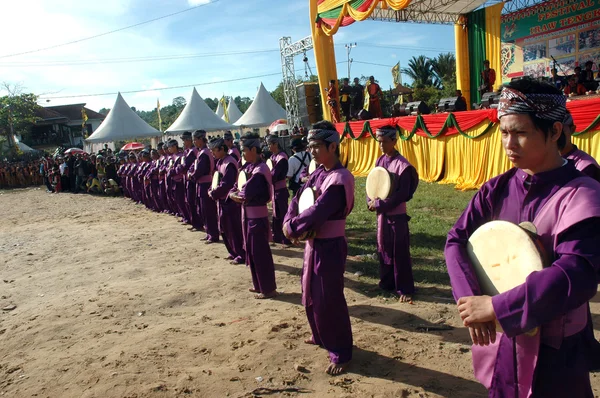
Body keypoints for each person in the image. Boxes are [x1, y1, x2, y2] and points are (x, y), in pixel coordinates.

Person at [445, 77, 600, 397]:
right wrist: (472, 302)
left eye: (520, 132)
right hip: (504, 342)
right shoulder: (496, 189)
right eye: (504, 132)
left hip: (557, 352)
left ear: (555, 130)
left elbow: (576, 274)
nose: (508, 144)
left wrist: (497, 307)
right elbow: (456, 240)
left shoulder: (582, 194)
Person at [283, 121, 355, 376]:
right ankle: (320, 335)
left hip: (330, 246)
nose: (312, 151)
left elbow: (318, 210)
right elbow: (297, 198)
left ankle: (341, 351)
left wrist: (293, 228)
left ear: (332, 146)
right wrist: (288, 220)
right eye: (310, 146)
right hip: (314, 244)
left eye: (316, 146)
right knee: (310, 292)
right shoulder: (318, 173)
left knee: (329, 298)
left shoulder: (339, 178)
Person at [368, 126, 419, 303]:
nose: (381, 145)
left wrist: (380, 204)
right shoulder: (380, 161)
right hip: (382, 216)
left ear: (394, 141)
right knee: (383, 249)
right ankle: (386, 283)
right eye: (379, 142)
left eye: (384, 142)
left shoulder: (403, 166)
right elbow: (373, 184)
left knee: (399, 252)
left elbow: (402, 194)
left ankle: (404, 288)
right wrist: (370, 200)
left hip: (397, 216)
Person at [229, 132, 277, 299]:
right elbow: (235, 187)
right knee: (252, 251)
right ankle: (259, 285)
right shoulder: (248, 167)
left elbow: (245, 192)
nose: (242, 153)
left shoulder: (260, 169)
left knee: (260, 253)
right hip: (248, 216)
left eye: (244, 150)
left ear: (253, 149)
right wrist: (233, 194)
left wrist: (235, 195)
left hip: (257, 218)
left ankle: (268, 288)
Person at [208, 138, 246, 264]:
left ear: (222, 149)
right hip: (221, 200)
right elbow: (216, 179)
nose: (212, 153)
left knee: (233, 229)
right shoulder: (220, 162)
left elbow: (227, 184)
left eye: (214, 150)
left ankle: (241, 254)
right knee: (224, 228)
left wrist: (214, 193)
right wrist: (211, 189)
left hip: (230, 201)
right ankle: (232, 251)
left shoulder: (230, 162)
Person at [189, 130, 219, 243]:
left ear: (201, 139)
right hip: (201, 184)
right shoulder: (202, 152)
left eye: (195, 139)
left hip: (205, 183)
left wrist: (192, 176)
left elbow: (200, 170)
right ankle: (209, 232)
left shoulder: (205, 153)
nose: (194, 142)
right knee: (203, 210)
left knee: (208, 210)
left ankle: (213, 234)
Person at [560, 111, 600, 182]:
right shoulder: (544, 163)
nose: (555, 136)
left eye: (561, 130)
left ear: (572, 129)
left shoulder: (587, 167)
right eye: (552, 131)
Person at [266, 135, 291, 246]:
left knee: (283, 214)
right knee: (276, 214)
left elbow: (274, 175)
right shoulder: (273, 157)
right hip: (275, 189)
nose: (268, 147)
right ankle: (277, 236)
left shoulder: (282, 157)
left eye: (269, 144)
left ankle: (286, 237)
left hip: (280, 190)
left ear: (275, 144)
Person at [179, 131, 201, 229]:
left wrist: (178, 169)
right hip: (187, 178)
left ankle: (196, 223)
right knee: (189, 201)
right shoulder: (188, 151)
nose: (183, 142)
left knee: (192, 202)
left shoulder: (193, 151)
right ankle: (194, 222)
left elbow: (187, 165)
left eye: (184, 140)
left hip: (192, 179)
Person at [166, 140, 187, 219]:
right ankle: (181, 214)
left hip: (179, 180)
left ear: (175, 146)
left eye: (170, 147)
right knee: (176, 199)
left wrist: (172, 170)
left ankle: (185, 216)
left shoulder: (181, 156)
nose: (169, 149)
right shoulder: (172, 156)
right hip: (173, 180)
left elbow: (181, 167)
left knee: (181, 199)